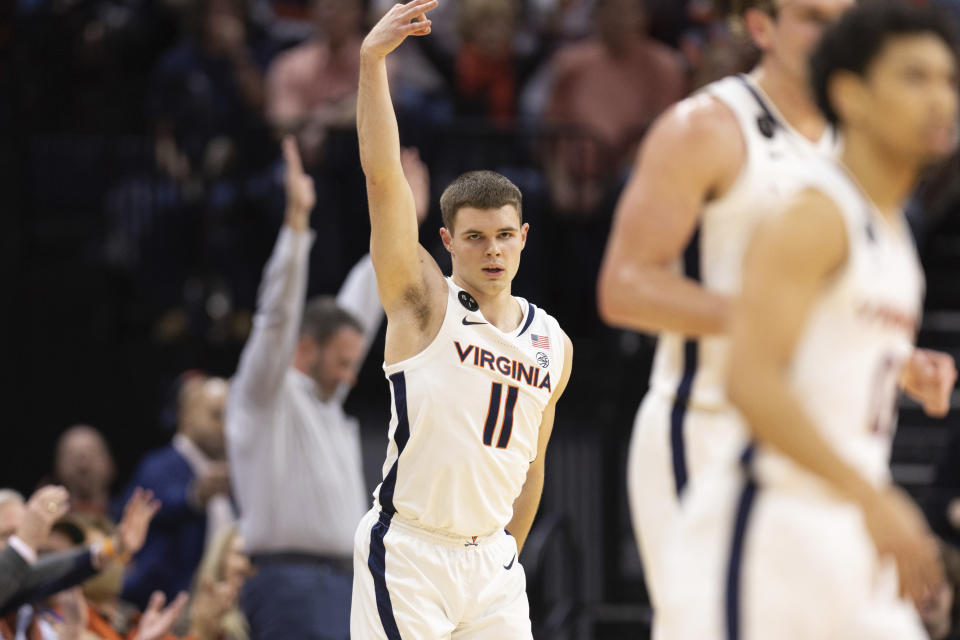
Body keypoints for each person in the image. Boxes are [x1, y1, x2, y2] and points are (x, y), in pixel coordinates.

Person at [596, 0, 951, 619]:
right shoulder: (706, 128)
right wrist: (774, 318)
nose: (834, 32)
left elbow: (841, 314)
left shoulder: (863, 149)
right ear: (761, 28)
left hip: (825, 454)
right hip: (706, 428)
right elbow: (623, 288)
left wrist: (894, 362)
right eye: (813, 17)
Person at [351, 2, 573, 638]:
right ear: (446, 241)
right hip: (411, 552)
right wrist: (371, 62)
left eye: (505, 236)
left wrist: (499, 557)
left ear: (524, 237)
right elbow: (382, 177)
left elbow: (532, 469)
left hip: (492, 566)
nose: (493, 250)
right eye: (475, 238)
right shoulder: (425, 303)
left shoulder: (552, 342)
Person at [225, 135, 387, 640]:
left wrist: (395, 228)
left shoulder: (326, 400)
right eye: (340, 362)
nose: (350, 373)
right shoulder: (265, 395)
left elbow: (362, 304)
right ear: (305, 350)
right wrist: (296, 228)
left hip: (342, 582)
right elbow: (276, 319)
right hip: (288, 582)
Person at [119, 374, 233, 609]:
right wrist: (194, 497)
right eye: (216, 415)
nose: (225, 426)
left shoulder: (236, 473)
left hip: (217, 603)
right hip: (163, 602)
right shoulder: (159, 465)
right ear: (187, 417)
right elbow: (155, 507)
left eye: (231, 417)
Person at [53, 425, 116, 517]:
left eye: (92, 453)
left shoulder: (128, 516)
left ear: (111, 464)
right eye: (71, 456)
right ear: (57, 467)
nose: (83, 464)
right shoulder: (46, 525)